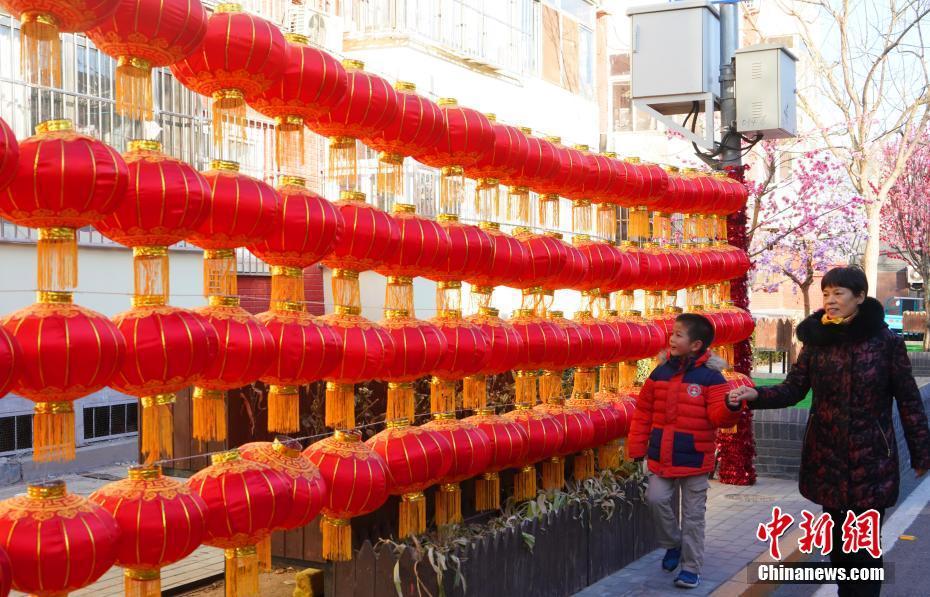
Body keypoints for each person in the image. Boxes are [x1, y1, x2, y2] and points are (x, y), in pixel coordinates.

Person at [727, 266, 930, 597]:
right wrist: (756, 395)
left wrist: (921, 453)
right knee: (838, 546)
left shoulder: (886, 344)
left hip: (871, 461)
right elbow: (793, 389)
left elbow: (909, 401)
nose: (830, 300)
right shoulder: (817, 342)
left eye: (838, 293)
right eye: (826, 294)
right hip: (827, 459)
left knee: (863, 549)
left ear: (859, 297)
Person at [628, 313, 741, 589]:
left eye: (678, 334)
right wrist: (637, 447)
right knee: (655, 499)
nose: (671, 338)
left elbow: (719, 417)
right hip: (661, 456)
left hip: (696, 458)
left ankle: (691, 568)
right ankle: (673, 544)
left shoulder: (711, 378)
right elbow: (643, 413)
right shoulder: (659, 373)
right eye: (672, 333)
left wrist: (731, 406)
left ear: (696, 344)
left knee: (693, 517)